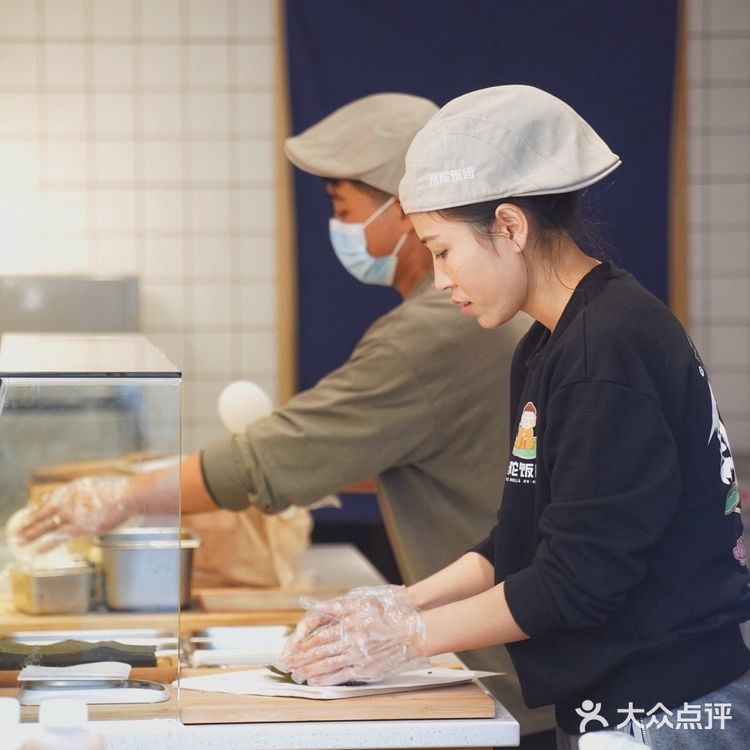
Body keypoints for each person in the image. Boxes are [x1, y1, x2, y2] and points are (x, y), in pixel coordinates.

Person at [16, 94, 550, 744]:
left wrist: (123, 497)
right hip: (517, 658)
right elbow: (444, 456)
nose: (339, 226)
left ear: (407, 212)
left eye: (341, 207)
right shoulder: (457, 318)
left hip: (516, 675)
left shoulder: (436, 330)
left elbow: (271, 458)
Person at [276, 85, 750, 749]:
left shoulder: (609, 346)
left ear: (510, 226)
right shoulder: (548, 343)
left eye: (442, 250)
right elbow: (520, 539)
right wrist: (401, 601)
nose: (440, 279)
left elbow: (574, 584)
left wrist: (407, 639)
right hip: (609, 704)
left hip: (673, 708)